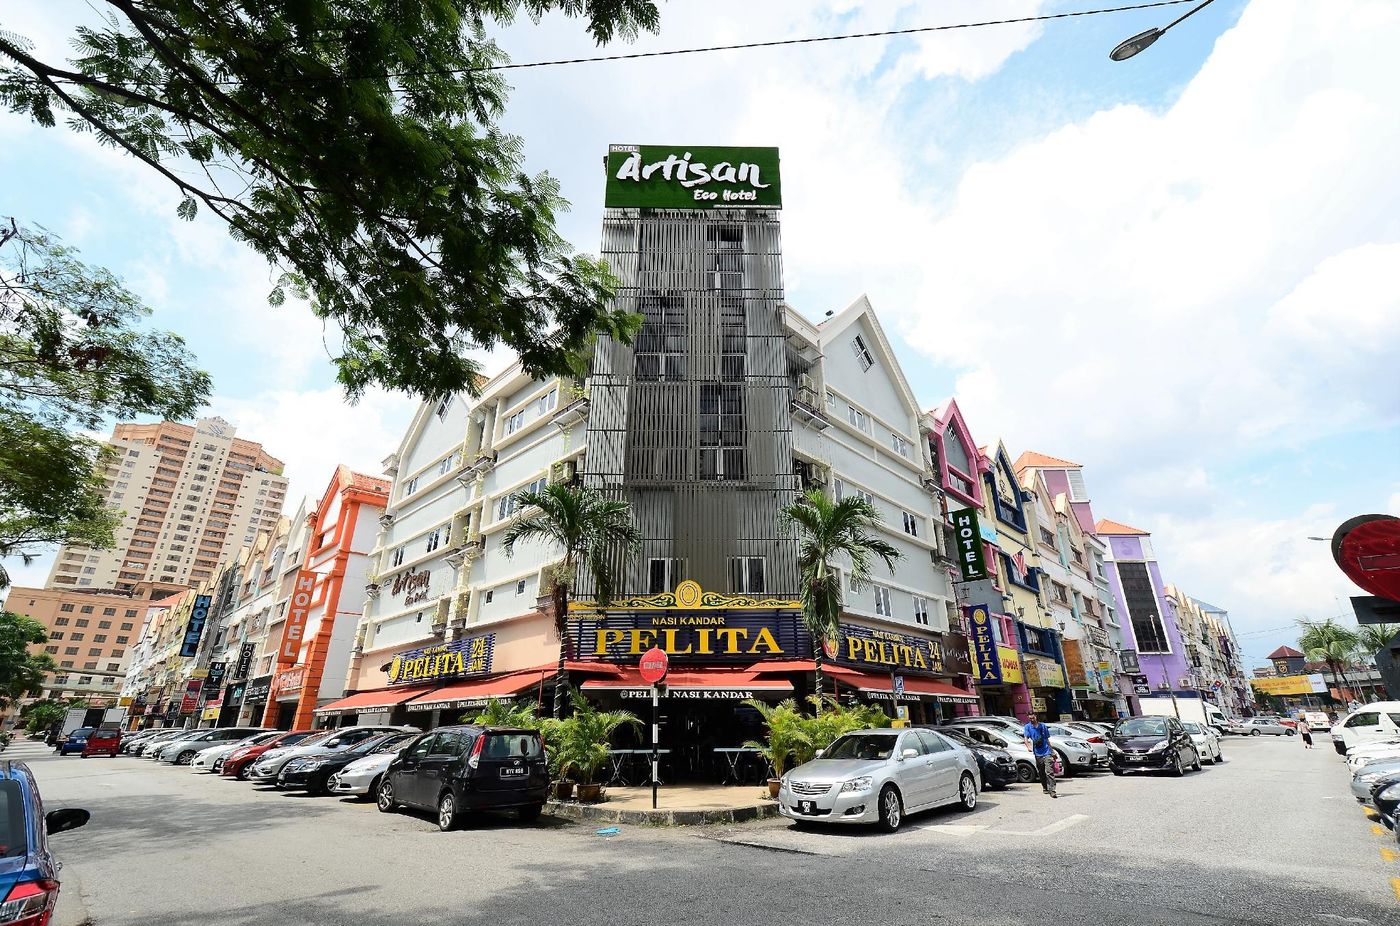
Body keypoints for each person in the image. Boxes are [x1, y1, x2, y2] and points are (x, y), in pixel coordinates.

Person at [1023, 712, 1057, 798]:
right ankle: (1045, 787)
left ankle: (1052, 790)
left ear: (1036, 717)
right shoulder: (1027, 727)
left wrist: (1052, 752)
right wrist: (1028, 746)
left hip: (1046, 751)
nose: (1032, 720)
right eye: (1030, 718)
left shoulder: (1043, 726)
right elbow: (1026, 738)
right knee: (1041, 772)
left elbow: (1047, 740)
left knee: (1049, 771)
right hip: (1038, 753)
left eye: (1033, 718)